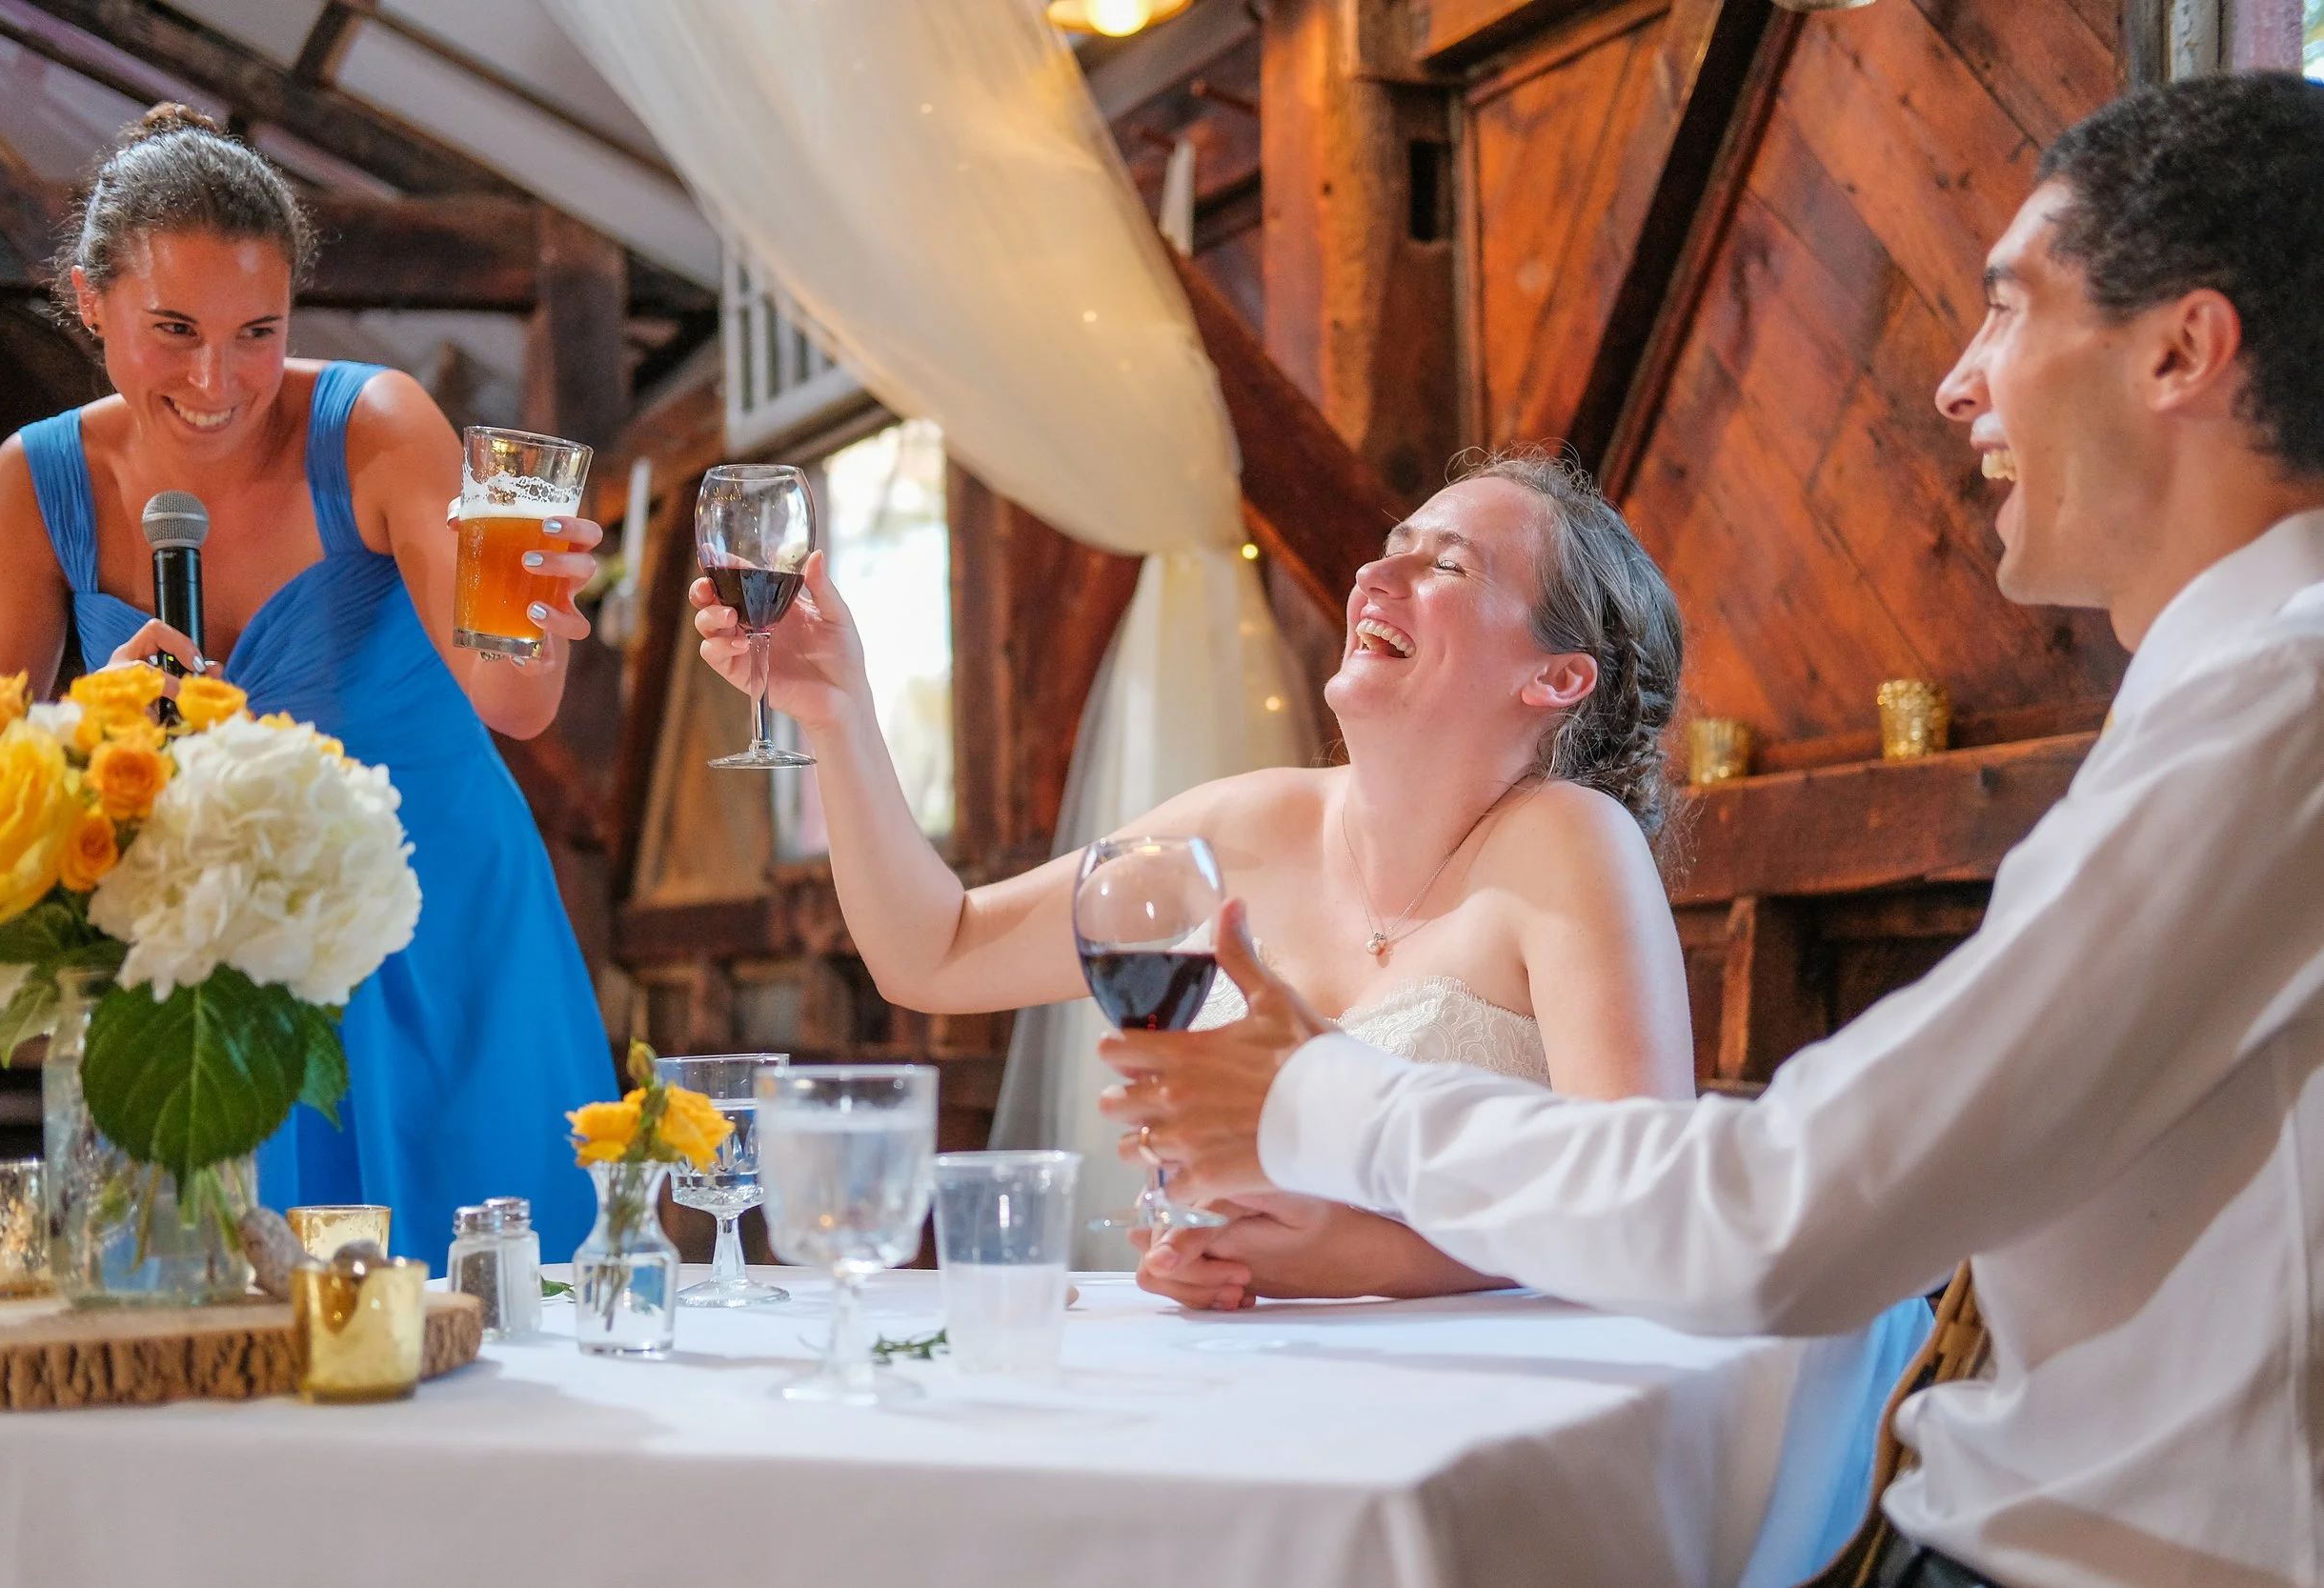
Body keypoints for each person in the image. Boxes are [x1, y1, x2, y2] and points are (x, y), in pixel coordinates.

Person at [1101, 73, 2324, 1588]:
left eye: (2007, 310)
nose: (1958, 383)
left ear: (2182, 351)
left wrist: (1321, 1097)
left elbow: (1791, 1214)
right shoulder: (2234, 692)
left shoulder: (2286, 705)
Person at [693, 450, 1698, 1299]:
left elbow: (1642, 1200)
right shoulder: (1242, 824)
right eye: (1389, 548)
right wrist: (837, 711)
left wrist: (1346, 1256)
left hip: (1485, 1407)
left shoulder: (1569, 841)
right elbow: (937, 953)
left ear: (1557, 676)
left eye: (1446, 566)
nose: (1373, 579)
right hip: (1239, 1372)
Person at [0, 105, 616, 1262]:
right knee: (207, 1351)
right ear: (87, 297)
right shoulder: (38, 478)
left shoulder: (376, 425)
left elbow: (516, 703)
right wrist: (86, 724)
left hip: (438, 934)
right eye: (173, 328)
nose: (219, 378)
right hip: (204, 983)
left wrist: (535, 610)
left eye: (258, 330)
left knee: (501, 1340)